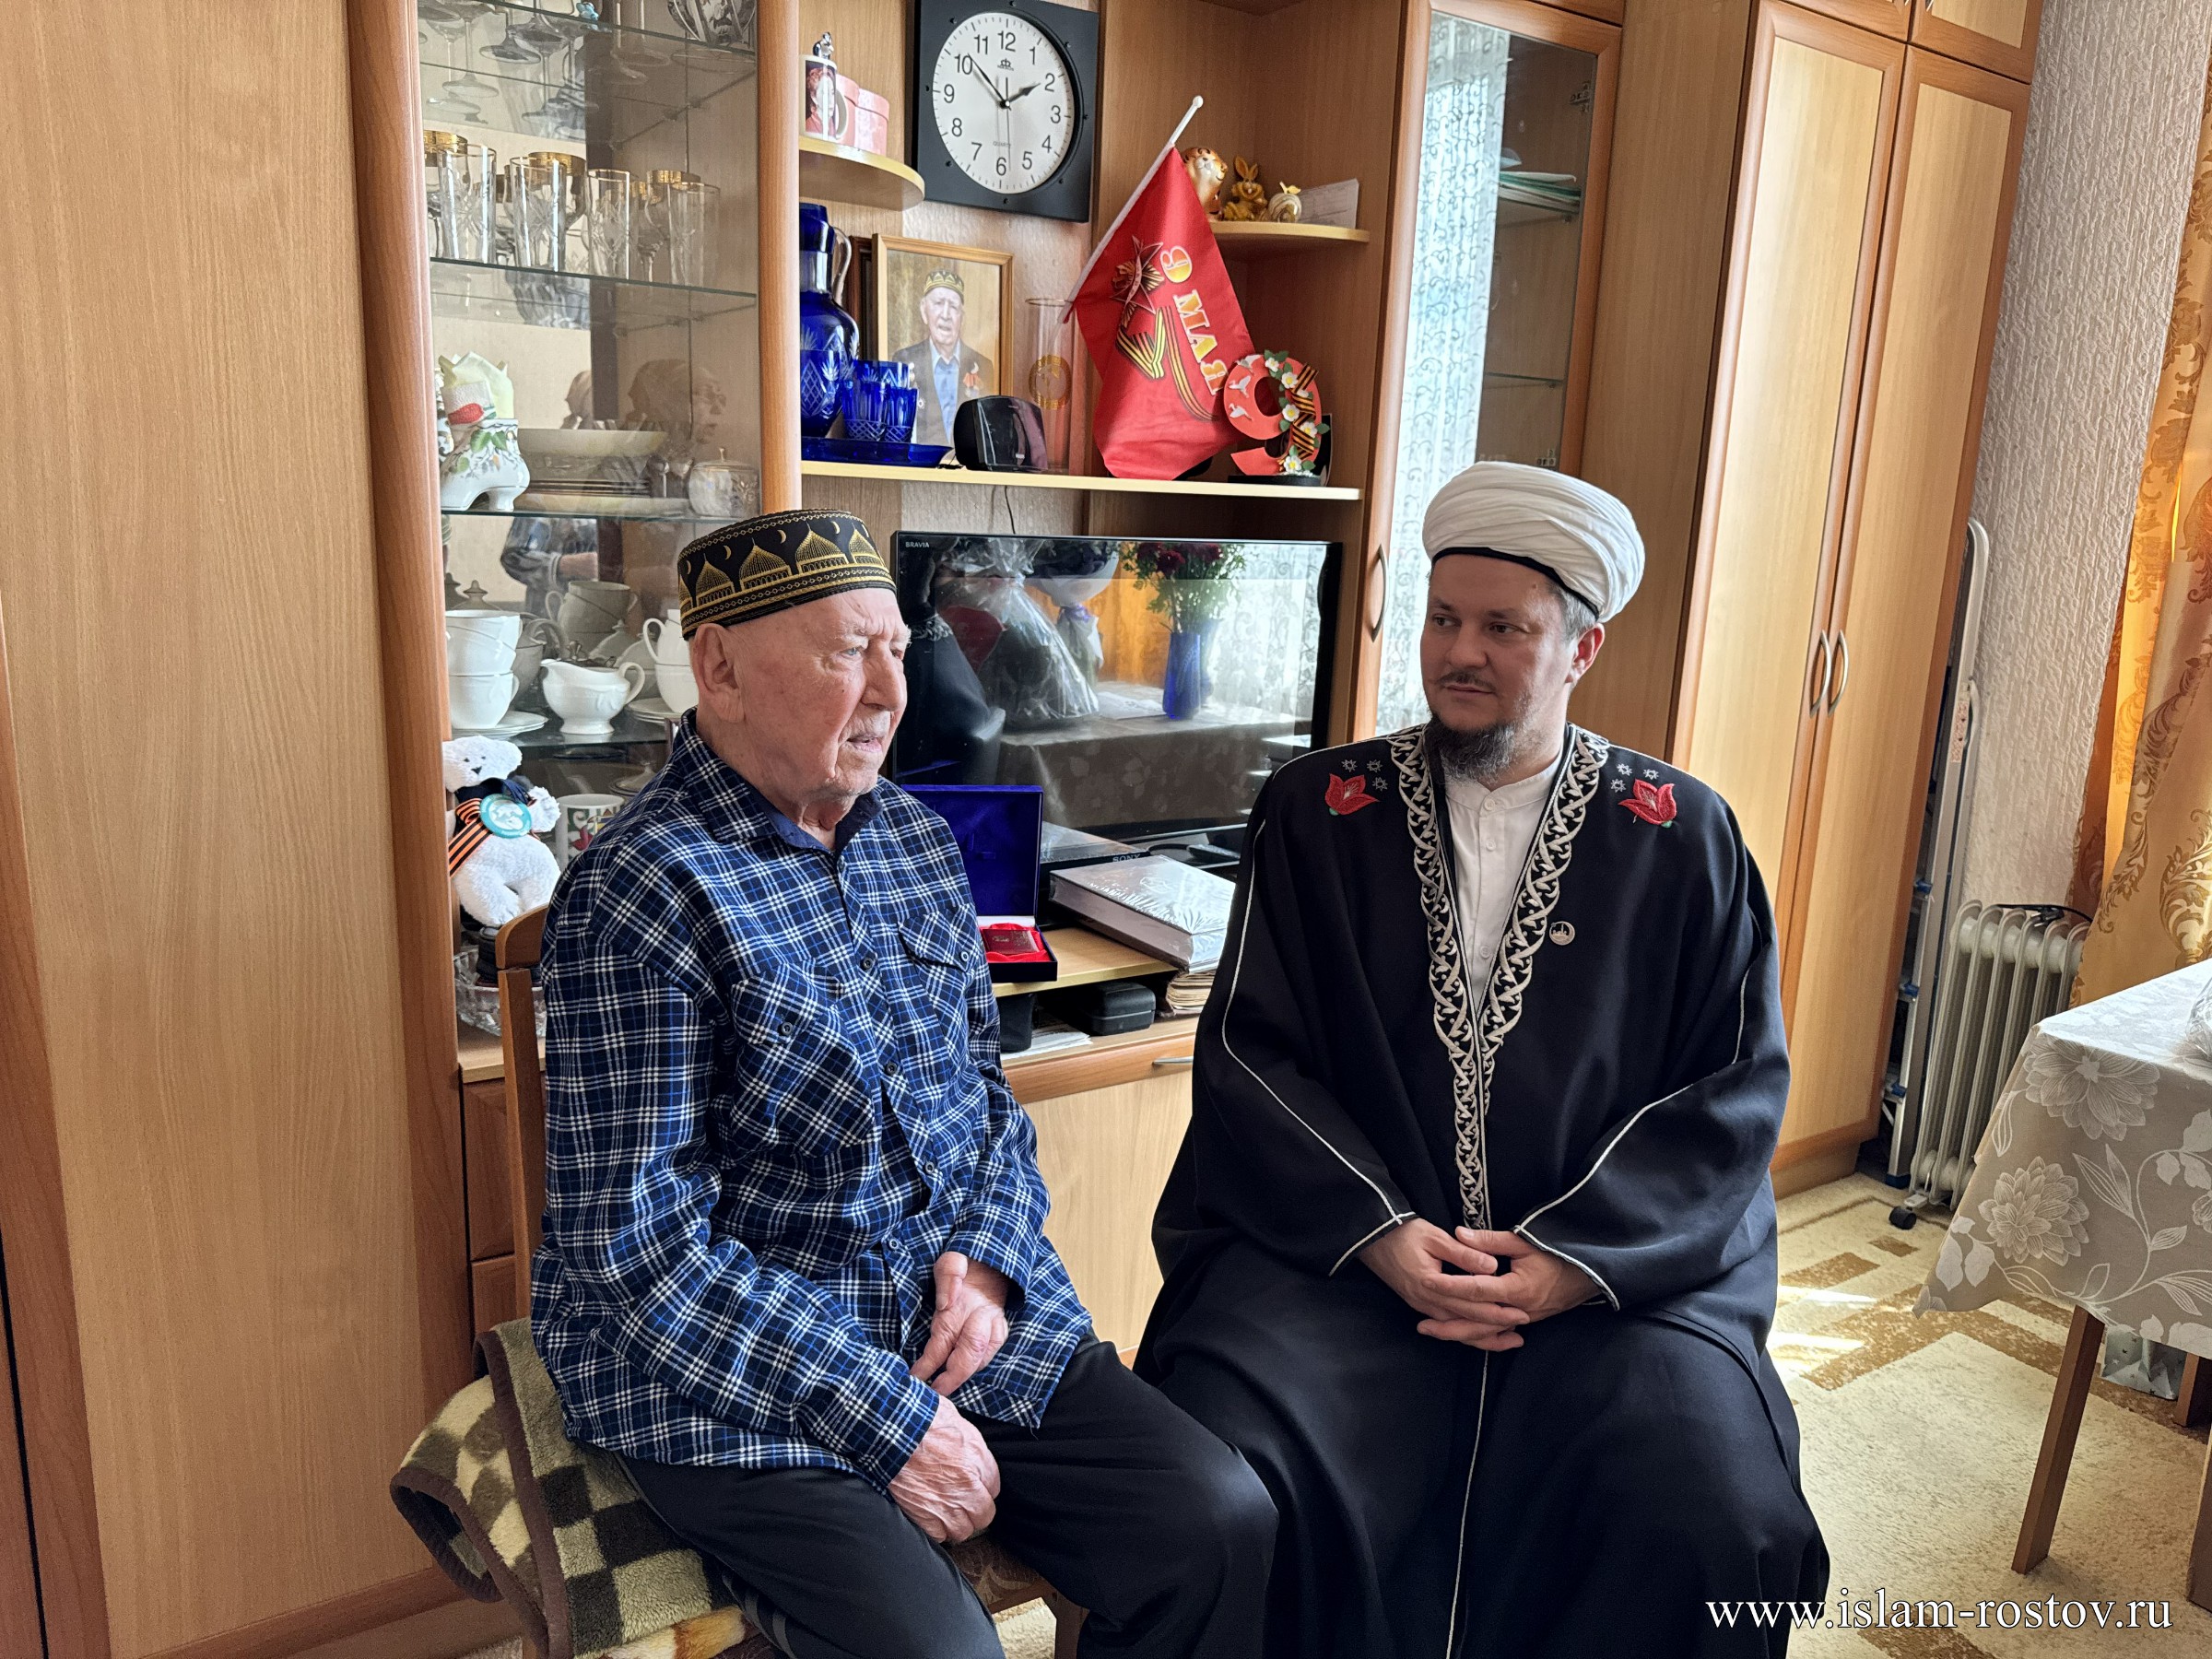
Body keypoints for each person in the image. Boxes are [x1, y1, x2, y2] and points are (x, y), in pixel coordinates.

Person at [532, 508, 1273, 1659]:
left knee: (1220, 1526)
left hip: (955, 1319)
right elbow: (636, 1247)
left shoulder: (916, 843)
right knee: (942, 1653)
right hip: (738, 1364)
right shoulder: (644, 888)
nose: (891, 692)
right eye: (846, 654)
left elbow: (984, 1101)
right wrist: (889, 1419)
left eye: (896, 650)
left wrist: (990, 1259)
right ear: (719, 669)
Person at [1136, 463, 1830, 1658]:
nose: (1461, 654)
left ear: (1581, 650)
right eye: (1444, 620)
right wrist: (1382, 1236)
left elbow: (1730, 1093)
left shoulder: (1685, 838)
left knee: (1716, 1514)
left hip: (1608, 1285)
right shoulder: (1317, 810)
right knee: (1220, 1478)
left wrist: (1567, 1262)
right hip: (1340, 1261)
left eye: (1505, 629)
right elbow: (1250, 1049)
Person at [893, 268, 994, 446]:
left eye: (953, 307)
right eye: (938, 303)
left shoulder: (983, 366)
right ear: (924, 311)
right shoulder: (904, 361)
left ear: (962, 317)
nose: (946, 315)